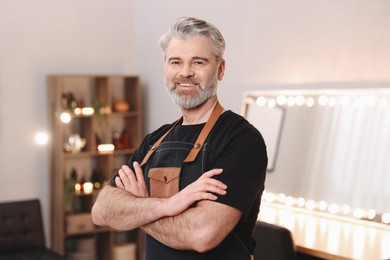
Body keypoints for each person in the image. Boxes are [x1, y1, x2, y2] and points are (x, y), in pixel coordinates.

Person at [91, 16, 268, 260]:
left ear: (221, 69)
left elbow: (201, 235)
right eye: (176, 62)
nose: (185, 73)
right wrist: (166, 205)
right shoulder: (155, 141)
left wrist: (140, 208)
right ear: (165, 67)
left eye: (198, 62)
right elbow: (102, 211)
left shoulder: (241, 140)